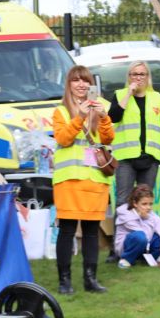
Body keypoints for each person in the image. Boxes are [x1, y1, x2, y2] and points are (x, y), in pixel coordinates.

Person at [51, 65, 114, 294]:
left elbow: (108, 138)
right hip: (69, 180)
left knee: (91, 230)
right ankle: (64, 281)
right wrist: (80, 116)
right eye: (76, 80)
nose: (81, 85)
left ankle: (90, 279)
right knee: (67, 230)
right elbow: (63, 138)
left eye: (85, 80)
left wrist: (103, 117)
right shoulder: (61, 111)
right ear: (69, 84)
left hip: (95, 179)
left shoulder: (101, 106)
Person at [109, 61, 160, 207]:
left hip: (150, 158)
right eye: (134, 74)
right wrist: (129, 93)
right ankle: (124, 230)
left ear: (148, 77)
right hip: (125, 158)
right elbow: (113, 117)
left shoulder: (157, 98)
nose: (138, 77)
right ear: (129, 77)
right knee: (123, 202)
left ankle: (142, 231)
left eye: (142, 74)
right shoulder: (120, 95)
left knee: (145, 202)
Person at [114, 184, 160, 267]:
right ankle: (126, 260)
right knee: (139, 236)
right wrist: (146, 218)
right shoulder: (125, 214)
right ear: (135, 203)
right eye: (144, 204)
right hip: (126, 248)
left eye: (150, 204)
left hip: (145, 245)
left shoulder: (150, 214)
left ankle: (150, 259)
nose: (148, 207)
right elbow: (144, 233)